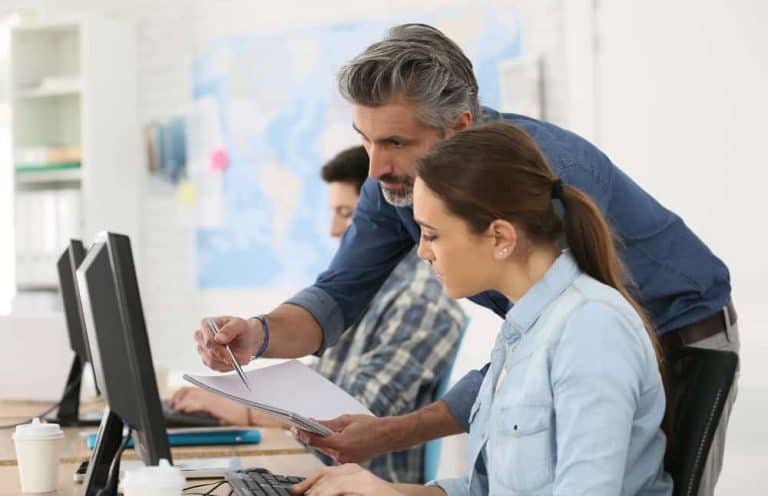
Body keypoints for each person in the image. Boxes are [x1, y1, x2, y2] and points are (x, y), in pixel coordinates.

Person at [195, 24, 737, 494]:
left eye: (396, 143)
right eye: (365, 141)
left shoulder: (548, 196)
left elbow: (564, 349)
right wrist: (257, 334)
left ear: (457, 126)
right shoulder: (400, 189)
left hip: (679, 328)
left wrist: (392, 438)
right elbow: (338, 295)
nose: (376, 168)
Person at [293, 121, 673, 495]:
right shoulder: (521, 331)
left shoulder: (591, 328)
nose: (423, 252)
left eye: (432, 234)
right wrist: (388, 493)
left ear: (500, 237)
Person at [174, 145, 465, 483]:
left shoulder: (419, 304)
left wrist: (239, 411)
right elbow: (325, 380)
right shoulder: (363, 293)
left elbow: (350, 415)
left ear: (384, 217)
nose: (334, 229)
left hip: (363, 482)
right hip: (320, 473)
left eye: (346, 214)